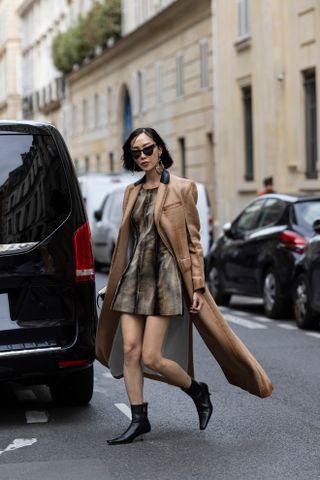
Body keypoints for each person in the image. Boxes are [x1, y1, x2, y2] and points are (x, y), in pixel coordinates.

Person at [96, 127, 273, 445]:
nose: (143, 156)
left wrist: (199, 286)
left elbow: (193, 243)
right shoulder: (131, 193)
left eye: (148, 149)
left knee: (152, 356)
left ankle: (197, 390)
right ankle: (139, 419)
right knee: (130, 351)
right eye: (136, 152)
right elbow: (129, 241)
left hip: (165, 280)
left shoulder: (182, 189)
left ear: (160, 149)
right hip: (133, 279)